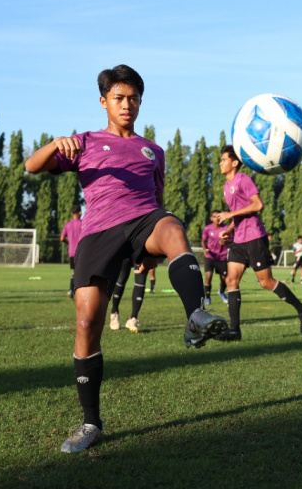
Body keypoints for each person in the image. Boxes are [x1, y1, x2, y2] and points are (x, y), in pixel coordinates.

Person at [24, 64, 227, 454]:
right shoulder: (82, 143)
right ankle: (90, 423)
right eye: (119, 98)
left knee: (173, 228)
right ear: (103, 102)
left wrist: (150, 255)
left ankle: (196, 315)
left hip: (145, 221)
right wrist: (56, 143)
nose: (127, 104)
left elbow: (159, 200)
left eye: (134, 98)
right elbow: (31, 167)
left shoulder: (154, 151)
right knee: (86, 324)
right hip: (99, 232)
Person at [213, 145, 302, 341]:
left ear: (234, 163)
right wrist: (228, 230)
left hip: (254, 237)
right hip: (239, 240)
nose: (220, 163)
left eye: (223, 159)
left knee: (266, 282)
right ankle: (235, 331)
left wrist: (229, 214)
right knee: (231, 281)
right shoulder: (226, 187)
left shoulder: (243, 179)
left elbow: (258, 205)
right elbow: (238, 216)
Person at [108, 258, 150, 332]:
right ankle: (114, 312)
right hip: (126, 249)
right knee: (121, 279)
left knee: (141, 281)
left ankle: (133, 318)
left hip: (142, 250)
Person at [201, 211, 230, 305]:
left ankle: (221, 292)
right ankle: (208, 298)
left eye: (218, 216)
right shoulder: (207, 228)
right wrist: (205, 249)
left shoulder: (226, 228)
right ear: (211, 218)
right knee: (208, 276)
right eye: (214, 217)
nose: (217, 219)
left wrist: (225, 241)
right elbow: (203, 241)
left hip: (222, 257)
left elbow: (231, 239)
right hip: (210, 256)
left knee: (224, 278)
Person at [60, 206, 83, 299]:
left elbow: (61, 238)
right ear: (80, 213)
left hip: (71, 252)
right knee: (81, 272)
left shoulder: (67, 224)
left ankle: (71, 290)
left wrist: (69, 243)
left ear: (71, 214)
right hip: (81, 251)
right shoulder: (83, 223)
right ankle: (76, 290)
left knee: (75, 272)